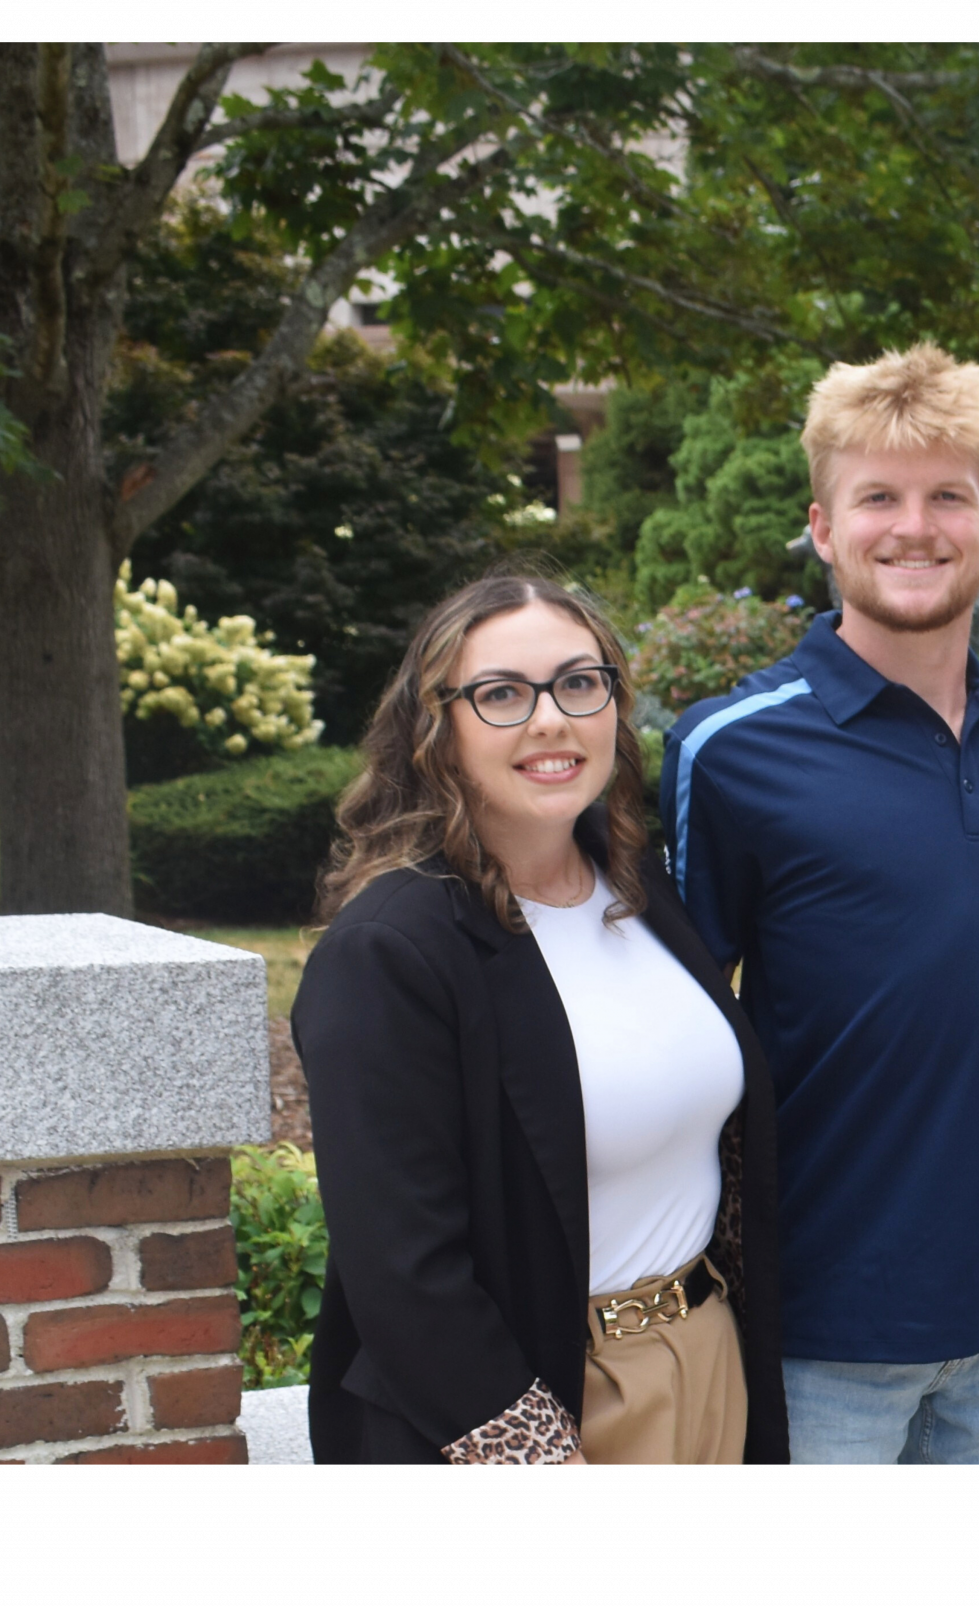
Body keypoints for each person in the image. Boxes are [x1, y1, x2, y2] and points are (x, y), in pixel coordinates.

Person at [661, 345, 979, 1464]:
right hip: (827, 1323)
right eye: (878, 497)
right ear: (823, 525)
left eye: (950, 496)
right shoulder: (730, 750)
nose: (915, 527)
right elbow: (673, 1020)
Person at [296, 572, 786, 1465]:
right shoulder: (389, 952)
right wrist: (536, 1451)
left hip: (708, 1364)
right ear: (434, 728)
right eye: (502, 695)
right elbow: (403, 1274)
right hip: (536, 1405)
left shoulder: (639, 890)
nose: (551, 719)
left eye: (578, 682)